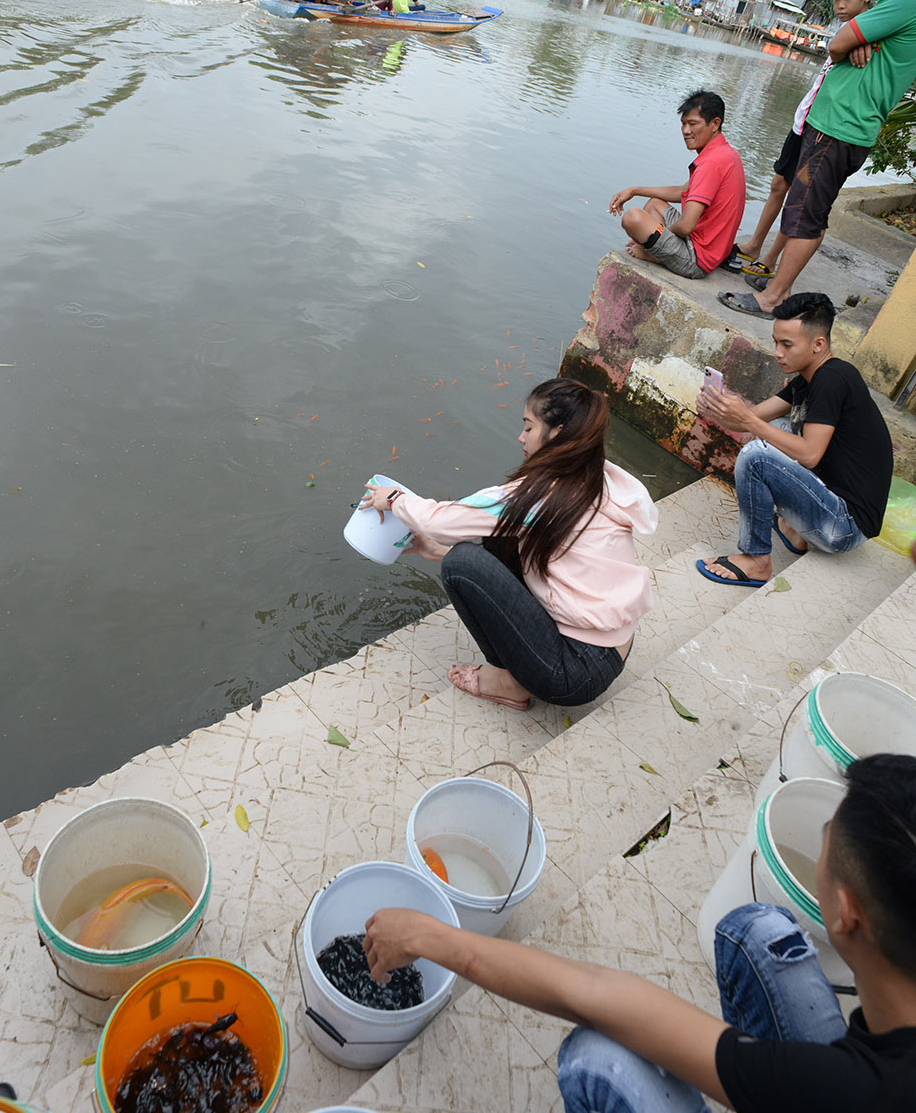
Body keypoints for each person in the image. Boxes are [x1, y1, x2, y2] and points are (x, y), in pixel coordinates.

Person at [363, 752, 916, 1113]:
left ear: (845, 913)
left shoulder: (852, 1098)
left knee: (600, 1063)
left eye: (825, 842)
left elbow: (597, 998)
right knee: (760, 934)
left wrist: (429, 936)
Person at [359, 378, 656, 710]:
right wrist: (435, 551)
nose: (521, 437)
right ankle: (518, 673)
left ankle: (509, 683)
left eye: (528, 427)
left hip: (575, 673)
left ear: (556, 433)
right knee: (498, 540)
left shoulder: (540, 495)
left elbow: (439, 520)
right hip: (611, 650)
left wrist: (395, 499)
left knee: (462, 563)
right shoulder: (595, 476)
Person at [719, 0, 916, 316]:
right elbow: (848, 40)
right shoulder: (896, 7)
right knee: (805, 208)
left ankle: (773, 296)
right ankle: (780, 282)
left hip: (839, 125)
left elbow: (837, 44)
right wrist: (858, 37)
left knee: (807, 214)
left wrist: (851, 40)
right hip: (838, 124)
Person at [695, 291, 893, 588]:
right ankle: (794, 530)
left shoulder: (833, 379)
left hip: (843, 527)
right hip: (834, 507)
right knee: (778, 427)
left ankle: (756, 560)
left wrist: (747, 420)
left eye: (787, 344)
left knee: (756, 455)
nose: (777, 352)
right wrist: (719, 409)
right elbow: (756, 418)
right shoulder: (809, 377)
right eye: (776, 342)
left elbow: (810, 454)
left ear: (818, 344)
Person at [731, 0, 878, 283]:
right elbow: (834, 50)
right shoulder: (849, 30)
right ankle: (755, 244)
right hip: (805, 118)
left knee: (800, 197)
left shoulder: (871, 29)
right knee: (778, 184)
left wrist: (859, 41)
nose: (840, 6)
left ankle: (770, 258)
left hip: (825, 127)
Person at [609, 89, 746, 279]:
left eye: (692, 124)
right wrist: (634, 190)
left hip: (697, 260)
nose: (685, 131)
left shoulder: (711, 163)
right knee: (654, 203)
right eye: (683, 124)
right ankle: (656, 247)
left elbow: (687, 225)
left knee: (633, 218)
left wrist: (656, 239)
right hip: (710, 247)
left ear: (715, 124)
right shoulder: (724, 153)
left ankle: (654, 255)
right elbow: (683, 191)